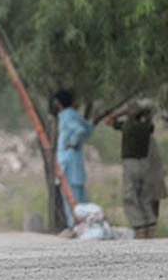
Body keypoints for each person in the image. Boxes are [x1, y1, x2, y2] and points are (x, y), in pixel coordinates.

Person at [107, 98, 167, 238]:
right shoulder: (147, 127)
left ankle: (139, 226)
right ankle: (150, 226)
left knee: (130, 196)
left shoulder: (127, 126)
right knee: (144, 197)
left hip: (130, 164)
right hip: (145, 165)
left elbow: (109, 121)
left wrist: (120, 112)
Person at [53, 90, 93, 228]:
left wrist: (73, 142)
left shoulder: (65, 116)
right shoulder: (74, 114)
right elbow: (88, 128)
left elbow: (80, 130)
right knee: (80, 198)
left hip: (67, 163)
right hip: (75, 161)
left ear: (58, 103)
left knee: (70, 199)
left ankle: (75, 227)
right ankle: (84, 226)